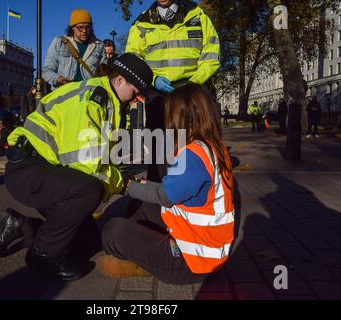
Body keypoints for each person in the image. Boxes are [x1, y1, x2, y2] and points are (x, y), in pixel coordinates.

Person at [0, 53, 153, 281]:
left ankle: (21, 225)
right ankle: (42, 254)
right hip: (28, 170)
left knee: (87, 243)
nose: (138, 99)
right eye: (136, 92)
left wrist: (120, 178)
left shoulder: (110, 101)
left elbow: (103, 156)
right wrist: (123, 183)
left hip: (44, 170)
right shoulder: (93, 99)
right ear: (118, 80)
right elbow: (86, 164)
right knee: (89, 190)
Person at [98, 83, 235, 284]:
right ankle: (143, 251)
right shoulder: (211, 146)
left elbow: (164, 196)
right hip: (204, 245)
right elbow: (172, 191)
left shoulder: (193, 156)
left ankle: (143, 261)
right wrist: (144, 186)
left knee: (113, 231)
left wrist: (125, 185)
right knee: (145, 204)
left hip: (193, 261)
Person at [126, 0, 221, 182]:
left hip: (191, 89)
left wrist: (194, 82)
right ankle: (157, 192)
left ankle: (196, 187)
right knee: (159, 145)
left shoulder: (198, 15)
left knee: (195, 141)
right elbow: (134, 58)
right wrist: (153, 79)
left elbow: (212, 53)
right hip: (157, 91)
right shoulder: (142, 22)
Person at [43, 9, 107, 91]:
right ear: (73, 27)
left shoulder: (99, 45)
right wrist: (58, 79)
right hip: (63, 94)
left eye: (87, 27)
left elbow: (103, 75)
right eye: (80, 27)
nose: (84, 31)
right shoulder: (59, 42)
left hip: (87, 95)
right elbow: (47, 71)